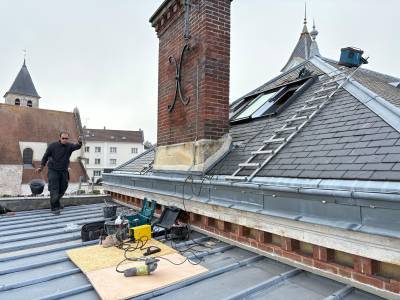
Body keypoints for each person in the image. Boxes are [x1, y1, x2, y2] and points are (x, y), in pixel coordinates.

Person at [36, 132, 82, 215]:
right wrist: (41, 167)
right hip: (53, 170)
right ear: (60, 138)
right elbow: (45, 157)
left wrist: (80, 142)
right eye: (63, 138)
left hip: (64, 171)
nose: (65, 140)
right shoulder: (52, 146)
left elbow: (77, 146)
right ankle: (54, 208)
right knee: (54, 189)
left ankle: (56, 202)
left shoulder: (69, 146)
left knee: (63, 188)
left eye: (66, 138)